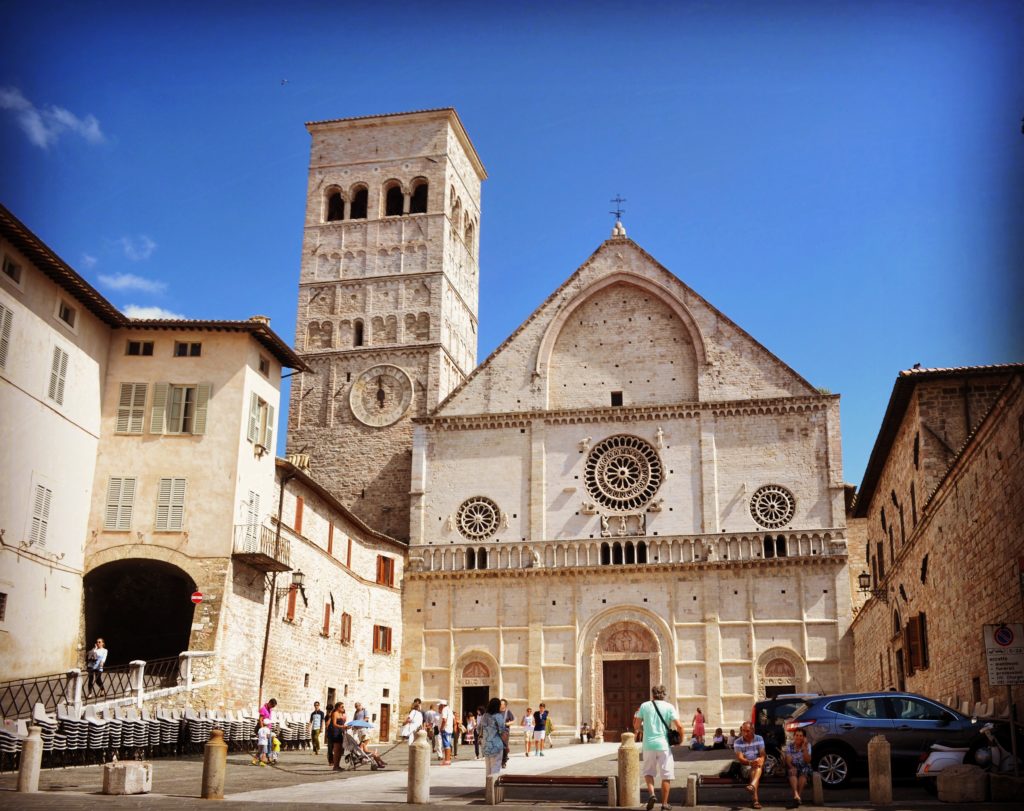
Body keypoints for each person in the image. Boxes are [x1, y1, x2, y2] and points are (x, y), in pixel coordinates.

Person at [633, 685, 685, 811]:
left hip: (648, 745)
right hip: (664, 746)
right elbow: (680, 726)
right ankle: (665, 804)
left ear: (653, 694)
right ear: (664, 694)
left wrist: (644, 730)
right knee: (666, 775)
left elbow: (636, 725)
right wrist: (680, 741)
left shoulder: (645, 705)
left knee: (648, 772)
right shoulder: (669, 707)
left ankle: (652, 794)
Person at [733, 721, 767, 809]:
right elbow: (740, 759)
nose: (745, 733)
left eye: (747, 731)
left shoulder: (759, 738)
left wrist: (760, 760)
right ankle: (755, 798)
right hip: (745, 765)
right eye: (743, 731)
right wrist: (750, 763)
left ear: (753, 730)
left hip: (758, 764)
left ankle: (753, 792)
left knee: (757, 767)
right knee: (754, 769)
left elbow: (763, 754)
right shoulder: (737, 742)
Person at [478, 697, 508, 782]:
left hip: (486, 745)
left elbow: (478, 729)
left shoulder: (484, 716)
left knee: (488, 768)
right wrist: (506, 745)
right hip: (496, 745)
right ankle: (493, 789)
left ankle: (488, 789)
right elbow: (502, 732)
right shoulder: (498, 716)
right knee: (495, 768)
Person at [783, 728, 813, 808]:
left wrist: (804, 748)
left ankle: (797, 797)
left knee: (803, 774)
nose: (798, 737)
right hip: (793, 765)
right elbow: (788, 760)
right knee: (792, 773)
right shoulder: (790, 745)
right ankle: (796, 795)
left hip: (804, 766)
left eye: (801, 736)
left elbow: (807, 760)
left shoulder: (808, 745)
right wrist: (792, 767)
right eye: (796, 735)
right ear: (794, 736)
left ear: (804, 737)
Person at [328, 701, 348, 770]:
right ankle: (335, 766)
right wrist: (342, 727)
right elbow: (334, 724)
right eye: (342, 707)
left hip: (340, 733)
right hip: (335, 733)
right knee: (336, 750)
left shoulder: (341, 714)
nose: (343, 708)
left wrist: (345, 726)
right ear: (337, 707)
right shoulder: (335, 713)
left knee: (340, 750)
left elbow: (342, 723)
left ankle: (337, 765)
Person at [438, 698, 454, 765]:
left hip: (445, 729)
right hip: (450, 728)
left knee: (446, 745)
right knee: (448, 744)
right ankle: (448, 759)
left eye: (439, 705)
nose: (439, 707)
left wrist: (441, 728)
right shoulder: (449, 709)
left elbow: (444, 720)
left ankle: (447, 760)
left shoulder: (444, 710)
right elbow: (453, 718)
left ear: (442, 705)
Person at [500, 699, 515, 767]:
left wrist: (506, 724)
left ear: (505, 705)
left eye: (501, 704)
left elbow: (513, 721)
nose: (500, 704)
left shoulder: (508, 712)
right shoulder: (496, 712)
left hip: (505, 732)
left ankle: (504, 761)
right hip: (497, 732)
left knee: (504, 747)